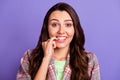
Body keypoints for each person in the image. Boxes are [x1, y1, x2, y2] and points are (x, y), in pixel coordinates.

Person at [16, 2, 100, 80]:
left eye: (68, 25)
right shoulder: (29, 57)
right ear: (47, 28)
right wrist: (46, 58)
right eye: (54, 24)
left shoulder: (90, 60)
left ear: (75, 29)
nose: (61, 31)